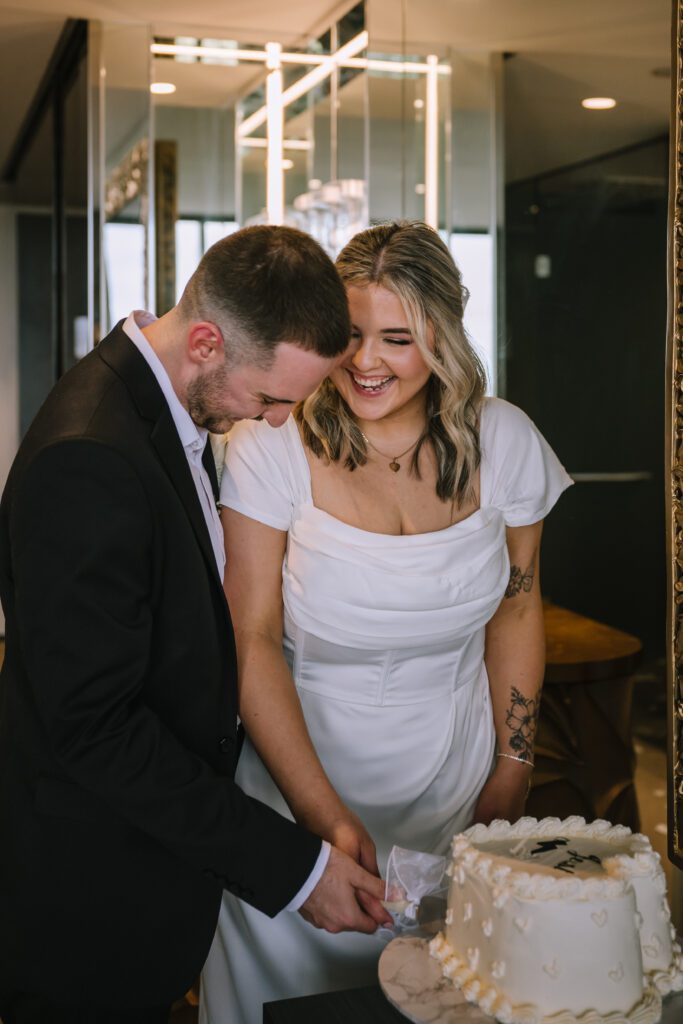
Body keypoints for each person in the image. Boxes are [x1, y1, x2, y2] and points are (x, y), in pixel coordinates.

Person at [0, 225, 391, 1024]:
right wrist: (294, 870)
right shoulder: (90, 459)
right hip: (86, 898)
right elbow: (95, 730)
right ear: (207, 341)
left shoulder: (161, 406)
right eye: (272, 397)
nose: (278, 421)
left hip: (145, 866)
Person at [199, 220, 574, 1024]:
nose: (365, 363)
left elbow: (515, 607)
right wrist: (320, 820)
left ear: (442, 333)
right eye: (351, 335)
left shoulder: (502, 440)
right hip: (301, 780)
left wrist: (511, 764)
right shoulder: (274, 445)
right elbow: (251, 635)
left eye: (397, 339)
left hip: (456, 778)